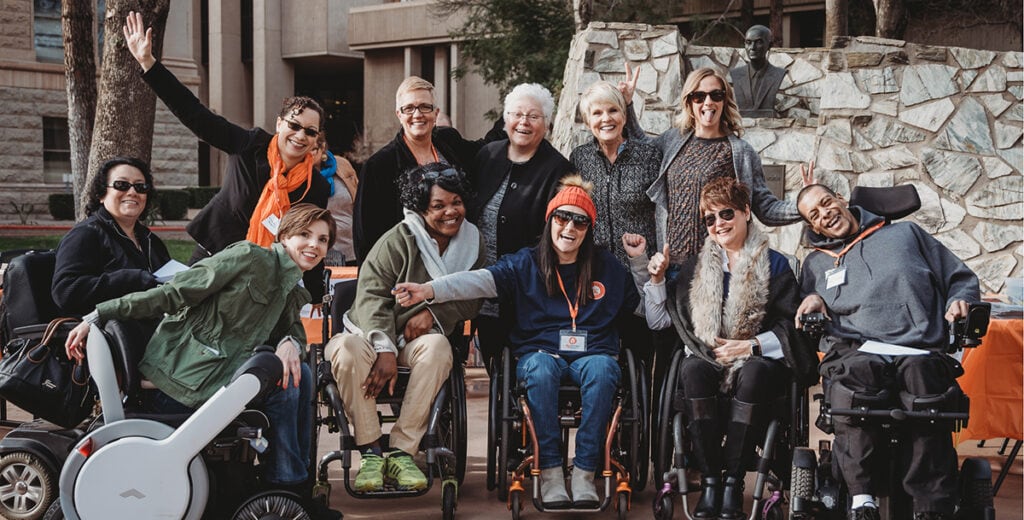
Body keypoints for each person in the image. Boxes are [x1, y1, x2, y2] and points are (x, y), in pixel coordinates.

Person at [63, 203, 339, 517]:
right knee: (287, 385)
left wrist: (290, 342)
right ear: (285, 235)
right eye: (305, 234)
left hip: (216, 381)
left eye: (323, 239)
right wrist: (101, 313)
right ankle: (286, 489)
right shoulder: (249, 258)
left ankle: (293, 488)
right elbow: (175, 292)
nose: (314, 245)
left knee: (299, 372)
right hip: (180, 384)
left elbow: (291, 329)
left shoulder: (290, 288)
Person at [394, 176, 640, 508]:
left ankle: (583, 471)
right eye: (562, 218)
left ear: (589, 228)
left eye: (579, 221)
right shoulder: (525, 262)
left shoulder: (607, 266)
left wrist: (643, 266)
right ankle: (551, 470)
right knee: (538, 369)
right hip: (540, 353)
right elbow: (479, 281)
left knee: (604, 368)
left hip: (593, 353)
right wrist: (430, 289)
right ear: (550, 220)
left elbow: (642, 306)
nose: (570, 227)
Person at [628, 178, 816, 519]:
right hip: (707, 359)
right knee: (693, 370)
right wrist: (655, 281)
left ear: (746, 212)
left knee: (755, 372)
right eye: (710, 219)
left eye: (726, 213)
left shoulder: (775, 265)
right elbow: (660, 322)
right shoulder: (695, 268)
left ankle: (733, 482)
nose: (718, 224)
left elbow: (791, 327)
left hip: (758, 363)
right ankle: (712, 481)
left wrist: (752, 346)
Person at [794, 184, 979, 520]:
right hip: (857, 347)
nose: (825, 214)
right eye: (814, 215)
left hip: (919, 345)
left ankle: (930, 507)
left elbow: (960, 278)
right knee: (856, 380)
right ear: (814, 227)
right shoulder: (817, 264)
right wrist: (815, 300)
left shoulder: (907, 233)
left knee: (925, 390)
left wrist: (957, 302)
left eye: (826, 203)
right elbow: (808, 312)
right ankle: (863, 499)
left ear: (839, 198)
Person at [123, 12, 330, 301]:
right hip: (215, 257)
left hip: (264, 275)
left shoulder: (315, 186)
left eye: (310, 131)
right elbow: (197, 115)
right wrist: (149, 64)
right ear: (279, 124)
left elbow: (311, 241)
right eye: (294, 126)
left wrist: (316, 300)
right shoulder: (249, 145)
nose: (300, 135)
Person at [325, 163, 484, 492]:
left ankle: (402, 451)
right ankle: (370, 451)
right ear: (420, 207)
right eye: (438, 206)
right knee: (346, 350)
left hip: (419, 340)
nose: (450, 212)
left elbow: (474, 295)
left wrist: (434, 311)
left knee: (440, 347)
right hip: (367, 333)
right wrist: (384, 348)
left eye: (456, 202)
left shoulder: (473, 242)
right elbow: (370, 297)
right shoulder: (398, 241)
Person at [469, 82, 575, 372]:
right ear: (505, 120)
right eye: (517, 114)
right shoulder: (487, 156)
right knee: (494, 368)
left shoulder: (558, 169)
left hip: (531, 293)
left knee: (526, 369)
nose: (524, 122)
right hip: (485, 290)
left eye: (534, 116)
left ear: (547, 123)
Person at [353, 76, 504, 262]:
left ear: (436, 112)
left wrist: (514, 112)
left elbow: (486, 148)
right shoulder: (380, 165)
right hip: (409, 266)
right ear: (398, 114)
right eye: (409, 108)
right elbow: (366, 234)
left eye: (425, 106)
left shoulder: (448, 142)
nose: (417, 114)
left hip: (460, 260)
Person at [52, 156, 171, 316]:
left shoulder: (150, 240)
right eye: (121, 185)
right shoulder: (85, 235)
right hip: (105, 333)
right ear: (101, 194)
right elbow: (66, 292)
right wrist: (131, 279)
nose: (132, 192)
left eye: (140, 187)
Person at [312, 136, 358, 265]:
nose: (309, 153)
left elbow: (358, 201)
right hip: (314, 255)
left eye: (314, 149)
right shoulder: (295, 176)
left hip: (351, 251)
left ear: (322, 148)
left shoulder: (341, 165)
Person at [729, 25, 786, 118]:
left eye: (758, 42)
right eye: (748, 42)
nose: (752, 47)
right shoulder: (736, 74)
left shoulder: (778, 74)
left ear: (769, 45)